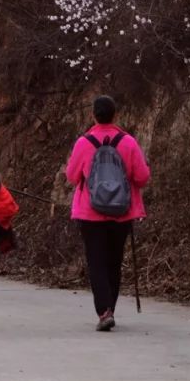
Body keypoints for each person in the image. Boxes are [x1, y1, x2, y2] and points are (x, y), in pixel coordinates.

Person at [65, 95, 150, 331]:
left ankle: (104, 312)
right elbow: (142, 178)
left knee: (96, 262)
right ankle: (110, 308)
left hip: (90, 212)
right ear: (115, 115)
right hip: (121, 212)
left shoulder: (84, 143)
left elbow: (72, 176)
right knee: (114, 261)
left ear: (93, 115)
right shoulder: (128, 142)